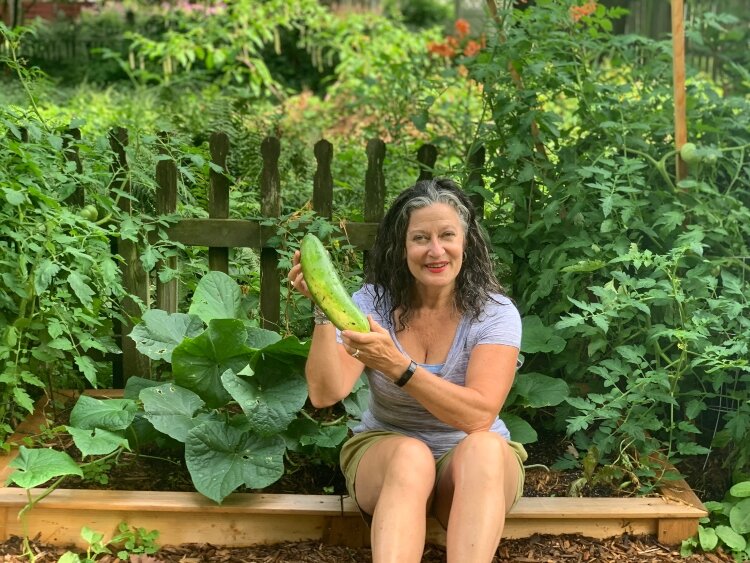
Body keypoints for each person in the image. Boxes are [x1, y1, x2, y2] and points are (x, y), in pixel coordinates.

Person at [287, 178, 526, 563]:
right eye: (420, 238)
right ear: (402, 247)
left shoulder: (494, 313)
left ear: (466, 242)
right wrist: (322, 309)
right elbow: (325, 393)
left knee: (484, 447)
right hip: (386, 459)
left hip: (472, 469)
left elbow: (480, 416)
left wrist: (399, 366)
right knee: (411, 456)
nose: (436, 250)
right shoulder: (371, 304)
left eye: (447, 235)